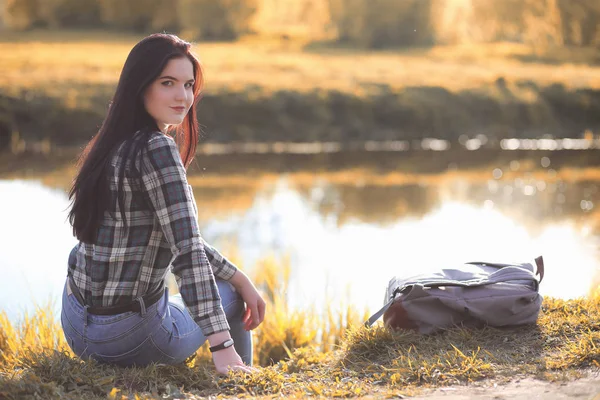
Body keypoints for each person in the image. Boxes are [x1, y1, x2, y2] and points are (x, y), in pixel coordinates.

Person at [62, 33, 265, 374]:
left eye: (188, 85)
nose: (182, 96)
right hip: (127, 337)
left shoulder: (110, 142)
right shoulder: (157, 147)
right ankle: (239, 373)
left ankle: (235, 366)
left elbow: (174, 233)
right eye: (167, 82)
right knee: (228, 292)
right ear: (140, 85)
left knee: (228, 282)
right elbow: (186, 251)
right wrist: (222, 346)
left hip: (76, 324)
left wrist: (240, 274)